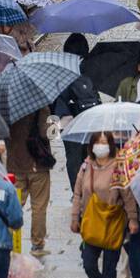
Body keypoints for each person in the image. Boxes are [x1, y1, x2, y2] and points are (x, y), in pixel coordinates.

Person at [71, 132, 140, 278]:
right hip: (91, 221)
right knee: (89, 263)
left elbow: (127, 195)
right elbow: (78, 193)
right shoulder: (86, 166)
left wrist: (132, 219)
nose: (100, 146)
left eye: (104, 142)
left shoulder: (118, 166)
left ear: (110, 145)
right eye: (98, 142)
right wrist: (74, 217)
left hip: (113, 223)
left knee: (110, 267)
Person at [7, 104, 53, 257]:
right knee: (39, 206)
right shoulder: (39, 105)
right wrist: (55, 124)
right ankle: (37, 245)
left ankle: (10, 242)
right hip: (37, 164)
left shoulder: (7, 103)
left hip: (14, 164)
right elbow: (46, 133)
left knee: (14, 205)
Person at [54, 33, 97, 190]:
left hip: (69, 124)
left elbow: (57, 102)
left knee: (73, 161)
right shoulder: (91, 70)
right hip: (91, 123)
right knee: (91, 158)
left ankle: (77, 194)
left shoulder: (60, 72)